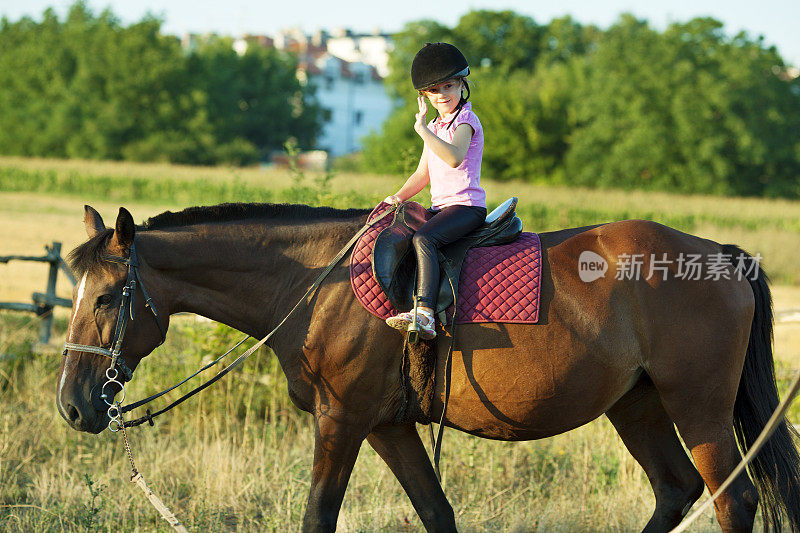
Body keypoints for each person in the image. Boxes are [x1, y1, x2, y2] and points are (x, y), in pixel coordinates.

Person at [384, 42, 487, 340]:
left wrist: (422, 131)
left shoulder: (466, 120)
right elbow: (421, 174)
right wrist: (398, 197)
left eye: (449, 85)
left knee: (425, 237)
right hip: (442, 208)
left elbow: (455, 158)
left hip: (466, 206)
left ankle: (426, 312)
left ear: (462, 84)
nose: (442, 94)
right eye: (434, 90)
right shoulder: (434, 125)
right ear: (424, 96)